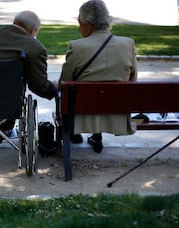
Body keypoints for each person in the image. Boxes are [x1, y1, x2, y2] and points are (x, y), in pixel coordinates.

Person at [59, 0, 138, 153]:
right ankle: (97, 136)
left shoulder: (76, 46)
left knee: (71, 93)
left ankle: (75, 133)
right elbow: (132, 79)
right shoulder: (128, 44)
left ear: (88, 24)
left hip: (81, 112)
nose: (78, 27)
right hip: (116, 110)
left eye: (79, 22)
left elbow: (65, 82)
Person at [0, 11, 57, 146]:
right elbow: (38, 85)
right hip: (9, 102)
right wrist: (55, 89)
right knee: (11, 87)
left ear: (15, 22)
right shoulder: (35, 48)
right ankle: (4, 128)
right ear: (33, 30)